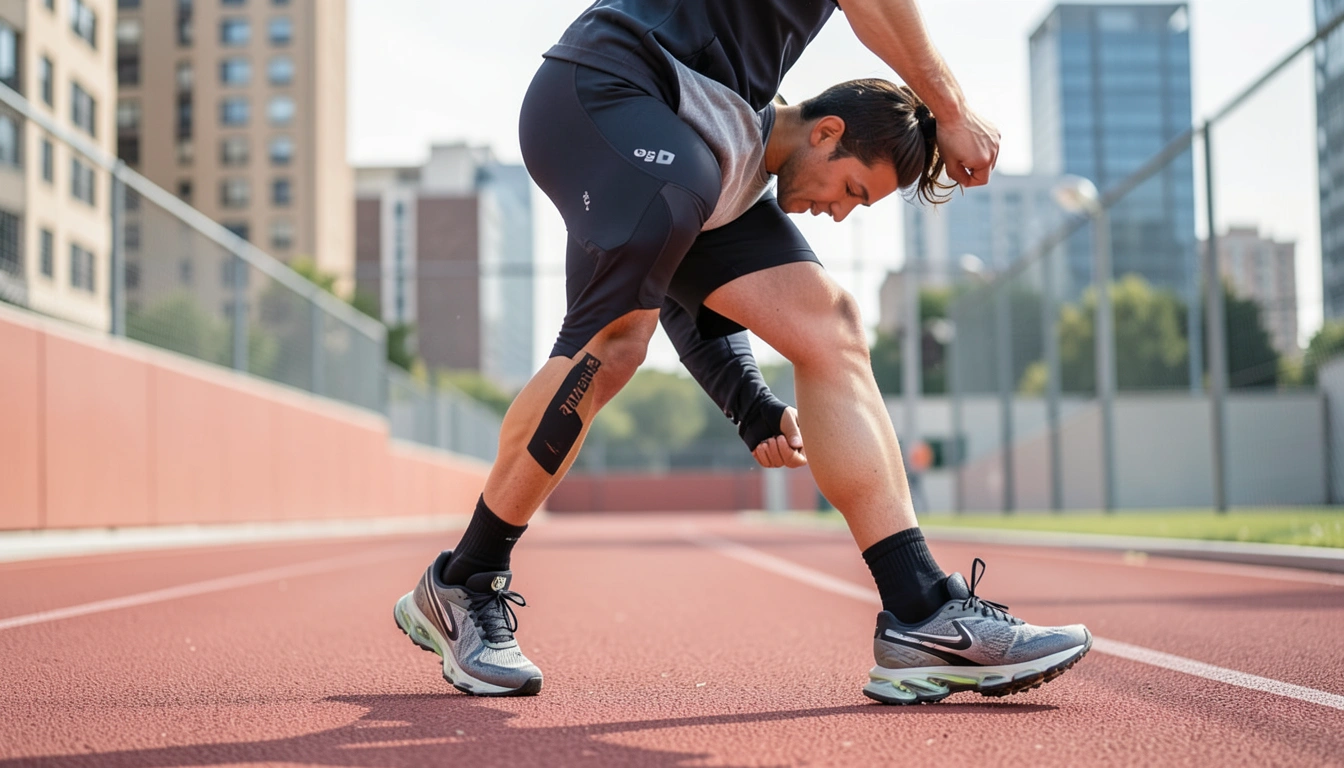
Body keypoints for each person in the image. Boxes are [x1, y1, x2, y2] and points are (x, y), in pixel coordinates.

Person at [394, 0, 1091, 705]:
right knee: (616, 341)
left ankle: (920, 613)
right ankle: (465, 580)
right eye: (851, 189)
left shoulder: (747, 141)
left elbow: (678, 277)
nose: (842, 211)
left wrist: (749, 403)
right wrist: (952, 108)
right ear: (827, 132)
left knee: (833, 327)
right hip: (605, 87)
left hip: (687, 138)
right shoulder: (710, 145)